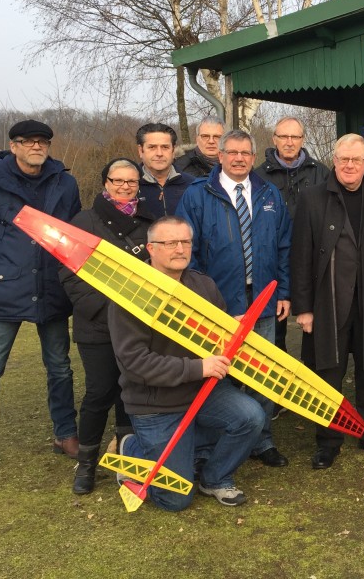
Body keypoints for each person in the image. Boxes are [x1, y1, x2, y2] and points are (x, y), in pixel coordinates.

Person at [109, 216, 267, 510]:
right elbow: (134, 362)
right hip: (156, 402)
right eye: (170, 243)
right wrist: (199, 368)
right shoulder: (131, 293)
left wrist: (233, 330)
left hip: (202, 390)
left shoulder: (203, 285)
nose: (180, 249)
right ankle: (131, 447)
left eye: (185, 242)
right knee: (175, 499)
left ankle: (215, 477)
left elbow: (216, 338)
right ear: (151, 248)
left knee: (251, 416)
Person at [0, 120, 81, 482]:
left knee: (59, 365)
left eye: (43, 141)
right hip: (6, 290)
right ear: (14, 146)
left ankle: (65, 433)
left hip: (53, 289)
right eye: (28, 141)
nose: (36, 146)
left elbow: (71, 235)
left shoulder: (64, 182)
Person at [176, 129, 292, 469]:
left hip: (262, 303)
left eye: (245, 153)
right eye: (232, 152)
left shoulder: (269, 194)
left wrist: (283, 291)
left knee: (263, 372)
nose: (239, 158)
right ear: (221, 156)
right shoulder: (198, 195)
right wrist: (199, 299)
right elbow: (186, 252)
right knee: (218, 375)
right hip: (217, 304)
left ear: (253, 157)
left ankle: (262, 440)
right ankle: (210, 444)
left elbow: (284, 246)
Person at [291, 134, 364, 469]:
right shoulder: (311, 199)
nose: (349, 165)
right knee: (327, 372)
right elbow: (300, 257)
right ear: (333, 161)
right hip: (327, 303)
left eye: (356, 159)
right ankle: (328, 440)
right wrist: (304, 308)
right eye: (342, 159)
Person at [60, 158, 155, 494]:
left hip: (140, 326)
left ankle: (129, 462)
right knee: (100, 392)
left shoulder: (149, 222)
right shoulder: (85, 221)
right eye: (119, 180)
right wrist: (108, 305)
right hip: (97, 325)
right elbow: (70, 274)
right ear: (106, 183)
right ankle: (86, 464)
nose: (126, 186)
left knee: (133, 393)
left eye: (132, 182)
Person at [255, 116, 330, 355]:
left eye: (295, 137)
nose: (289, 142)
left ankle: (313, 376)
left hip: (313, 261)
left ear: (303, 140)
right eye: (284, 136)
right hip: (273, 263)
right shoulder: (258, 177)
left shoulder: (321, 173)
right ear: (274, 139)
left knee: (315, 327)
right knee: (274, 331)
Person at [137, 122, 194, 216]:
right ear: (140, 151)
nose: (159, 153)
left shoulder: (192, 185)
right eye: (152, 147)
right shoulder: (128, 187)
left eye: (165, 147)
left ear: (173, 150)